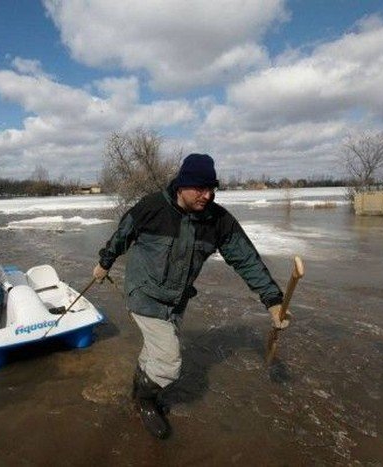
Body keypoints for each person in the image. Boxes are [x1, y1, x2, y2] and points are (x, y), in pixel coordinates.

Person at [93, 153, 290, 439]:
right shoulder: (151, 208)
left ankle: (139, 387)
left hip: (177, 300)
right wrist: (104, 263)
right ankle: (144, 402)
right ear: (182, 185)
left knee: (156, 352)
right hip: (144, 294)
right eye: (200, 188)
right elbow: (122, 235)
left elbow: (246, 260)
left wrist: (272, 300)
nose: (207, 195)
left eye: (211, 189)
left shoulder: (218, 221)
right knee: (170, 362)